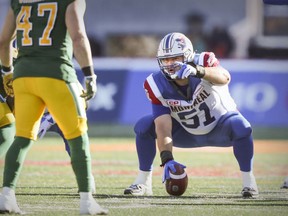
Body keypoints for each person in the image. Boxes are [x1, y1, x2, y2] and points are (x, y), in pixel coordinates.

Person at [0, 0, 108, 215]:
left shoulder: (18, 2)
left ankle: (6, 197)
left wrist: (6, 72)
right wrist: (89, 75)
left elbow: (3, 42)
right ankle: (87, 202)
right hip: (56, 73)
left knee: (22, 137)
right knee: (78, 137)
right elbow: (78, 36)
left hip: (23, 75)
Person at [123, 32, 258, 198]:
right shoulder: (155, 84)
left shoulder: (204, 61)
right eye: (166, 60)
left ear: (187, 56)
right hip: (186, 132)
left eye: (175, 59)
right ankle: (143, 182)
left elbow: (225, 77)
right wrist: (167, 159)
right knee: (144, 126)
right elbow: (163, 126)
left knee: (242, 126)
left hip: (221, 128)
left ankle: (249, 182)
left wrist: (199, 71)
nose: (170, 64)